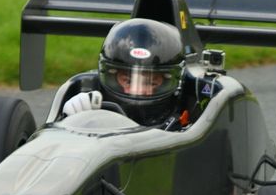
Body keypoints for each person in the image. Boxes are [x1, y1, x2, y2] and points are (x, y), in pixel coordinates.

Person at [59, 18, 195, 128]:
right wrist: (72, 121)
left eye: (151, 82)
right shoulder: (87, 99)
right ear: (110, 75)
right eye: (128, 81)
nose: (138, 90)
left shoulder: (188, 114)